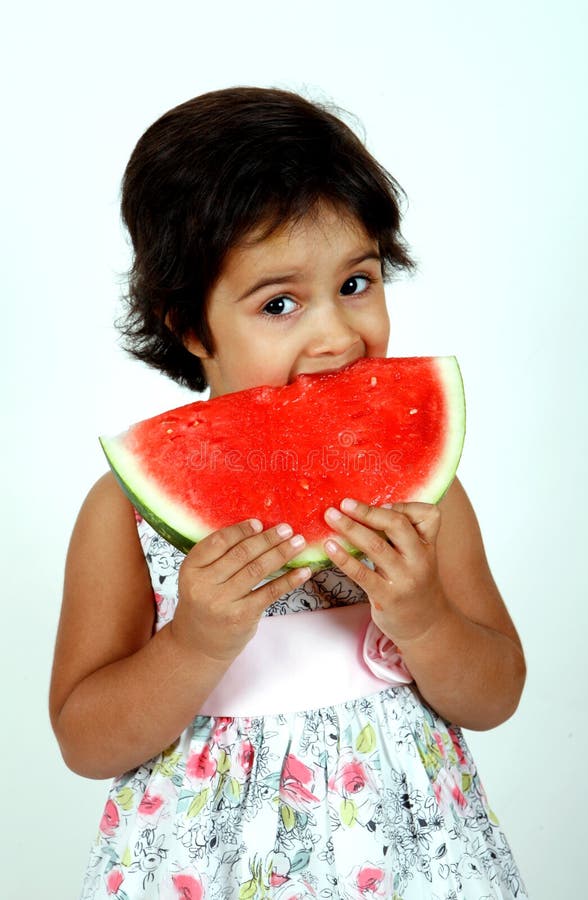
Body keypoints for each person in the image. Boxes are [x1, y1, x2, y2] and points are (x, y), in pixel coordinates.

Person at [50, 86, 528, 899]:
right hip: (207, 868)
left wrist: (424, 619)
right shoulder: (123, 513)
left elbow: (496, 691)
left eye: (357, 283)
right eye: (279, 303)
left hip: (417, 863)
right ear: (190, 327)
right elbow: (86, 740)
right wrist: (194, 643)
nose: (338, 336)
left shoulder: (429, 498)